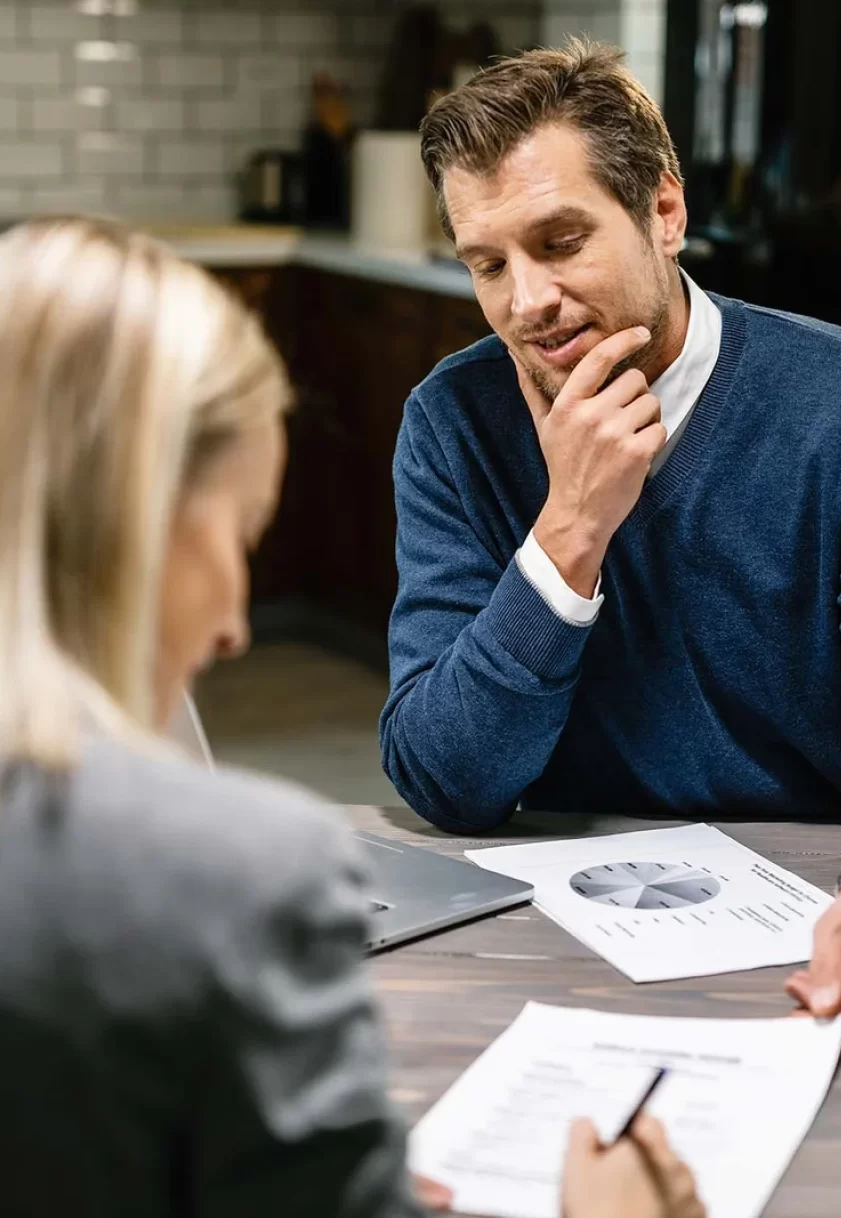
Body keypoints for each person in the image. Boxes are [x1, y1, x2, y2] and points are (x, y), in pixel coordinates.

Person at [0, 216, 703, 1218]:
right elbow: (440, 766)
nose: (237, 624)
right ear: (139, 518)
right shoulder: (243, 877)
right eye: (238, 533)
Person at [379, 42, 841, 1038]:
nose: (523, 302)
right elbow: (442, 778)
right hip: (549, 935)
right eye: (486, 263)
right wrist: (569, 532)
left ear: (664, 213)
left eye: (559, 241)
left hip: (809, 915)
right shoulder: (452, 423)